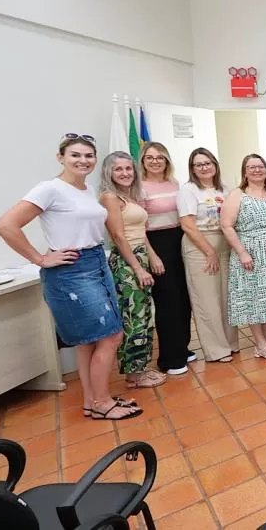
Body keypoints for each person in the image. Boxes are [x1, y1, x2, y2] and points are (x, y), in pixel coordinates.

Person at [0, 135, 141, 420]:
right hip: (71, 271)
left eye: (88, 155)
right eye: (75, 155)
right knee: (112, 336)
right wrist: (39, 258)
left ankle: (93, 400)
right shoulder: (49, 189)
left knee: (91, 340)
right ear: (60, 157)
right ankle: (102, 402)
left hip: (97, 262)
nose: (83, 160)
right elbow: (5, 225)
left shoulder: (86, 190)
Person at [99, 152, 166, 390]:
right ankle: (134, 376)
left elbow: (140, 232)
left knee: (145, 316)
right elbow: (118, 236)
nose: (125, 173)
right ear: (109, 172)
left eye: (129, 168)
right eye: (119, 169)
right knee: (134, 317)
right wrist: (137, 268)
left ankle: (141, 368)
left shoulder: (128, 196)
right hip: (127, 262)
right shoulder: (109, 197)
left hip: (139, 255)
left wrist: (152, 256)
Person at [222, 154, 266, 360]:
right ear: (244, 172)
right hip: (250, 253)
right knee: (254, 298)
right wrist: (242, 252)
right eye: (251, 167)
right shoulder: (238, 194)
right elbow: (226, 225)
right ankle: (260, 344)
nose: (256, 170)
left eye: (260, 166)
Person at [178, 148, 238, 363]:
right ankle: (216, 350)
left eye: (208, 163)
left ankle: (231, 343)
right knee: (207, 300)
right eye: (198, 164)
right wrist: (209, 251)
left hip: (224, 242)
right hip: (200, 245)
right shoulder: (189, 190)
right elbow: (187, 225)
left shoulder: (225, 189)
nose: (204, 167)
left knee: (225, 298)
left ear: (215, 164)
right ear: (192, 168)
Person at [140, 141, 194, 375]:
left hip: (179, 240)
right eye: (150, 157)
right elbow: (138, 227)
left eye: (160, 157)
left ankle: (182, 348)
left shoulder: (175, 183)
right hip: (156, 243)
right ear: (143, 161)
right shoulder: (139, 187)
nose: (155, 161)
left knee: (184, 298)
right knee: (167, 301)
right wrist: (152, 255)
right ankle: (170, 358)